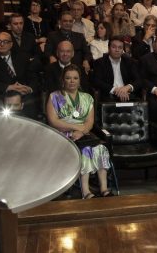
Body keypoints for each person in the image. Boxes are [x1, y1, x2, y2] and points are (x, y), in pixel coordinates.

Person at [47, 65, 112, 199]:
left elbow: (89, 122)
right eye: (68, 78)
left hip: (84, 135)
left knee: (100, 148)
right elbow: (54, 121)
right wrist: (77, 128)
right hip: (62, 135)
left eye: (75, 78)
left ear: (79, 80)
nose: (72, 81)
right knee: (85, 150)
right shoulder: (54, 96)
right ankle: (86, 191)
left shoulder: (87, 98)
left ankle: (104, 189)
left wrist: (82, 132)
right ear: (63, 80)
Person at [0, 30, 37, 113]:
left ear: (11, 44)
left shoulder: (22, 56)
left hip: (23, 92)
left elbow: (33, 76)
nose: (2, 44)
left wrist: (29, 88)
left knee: (31, 101)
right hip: (2, 92)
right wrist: (9, 87)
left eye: (5, 42)